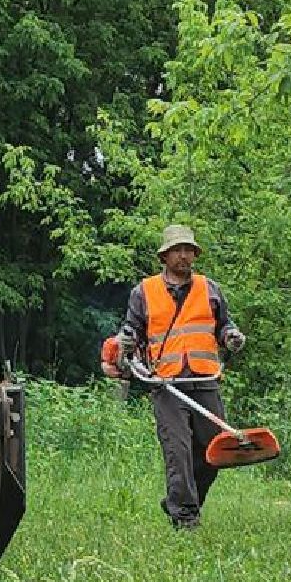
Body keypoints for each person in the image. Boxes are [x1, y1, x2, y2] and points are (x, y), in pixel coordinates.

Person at [116, 224, 247, 531]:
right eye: (178, 250)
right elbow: (131, 329)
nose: (184, 256)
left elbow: (224, 326)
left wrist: (232, 337)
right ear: (165, 256)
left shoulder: (209, 288)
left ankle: (183, 502)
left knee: (216, 449)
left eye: (189, 250)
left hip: (204, 379)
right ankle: (185, 518)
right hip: (166, 383)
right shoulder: (144, 291)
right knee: (178, 451)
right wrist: (126, 342)